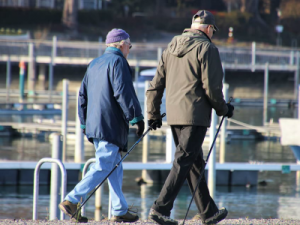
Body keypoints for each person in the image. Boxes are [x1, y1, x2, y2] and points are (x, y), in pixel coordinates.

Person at [146, 10, 234, 225]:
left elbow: (155, 85)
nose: (213, 34)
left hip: (175, 116)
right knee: (184, 161)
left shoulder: (170, 47)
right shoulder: (207, 48)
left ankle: (208, 212)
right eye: (213, 30)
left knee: (193, 163)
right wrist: (224, 109)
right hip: (195, 116)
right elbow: (212, 88)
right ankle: (160, 209)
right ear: (208, 28)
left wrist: (153, 114)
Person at [59, 28, 144, 223]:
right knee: (104, 164)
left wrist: (83, 122)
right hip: (110, 124)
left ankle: (119, 209)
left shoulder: (94, 63)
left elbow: (82, 95)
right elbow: (123, 92)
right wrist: (136, 118)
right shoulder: (118, 61)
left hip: (95, 125)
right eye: (129, 46)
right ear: (122, 44)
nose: (129, 50)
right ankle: (71, 200)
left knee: (115, 166)